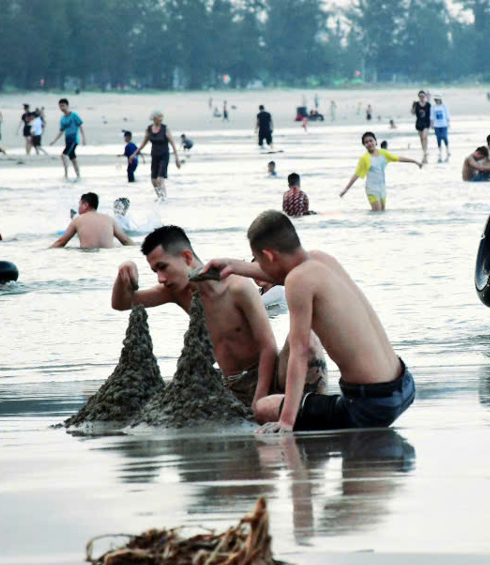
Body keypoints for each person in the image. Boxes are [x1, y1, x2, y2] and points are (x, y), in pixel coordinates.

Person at [200, 211, 414, 433]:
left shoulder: (297, 281)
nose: (261, 271)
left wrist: (286, 421)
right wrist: (232, 266)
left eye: (260, 260)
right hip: (403, 385)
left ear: (269, 256)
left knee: (264, 407)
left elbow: (299, 351)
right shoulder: (322, 260)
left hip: (369, 405)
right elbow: (278, 273)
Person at [111, 225, 327, 411]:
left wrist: (259, 398)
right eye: (154, 271)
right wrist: (124, 272)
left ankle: (313, 410)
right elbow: (122, 304)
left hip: (268, 378)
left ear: (186, 257)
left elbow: (267, 346)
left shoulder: (237, 287)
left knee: (307, 338)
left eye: (163, 267)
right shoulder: (175, 292)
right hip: (230, 385)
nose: (160, 278)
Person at [340, 131, 422, 211]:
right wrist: (346, 189)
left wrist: (414, 161)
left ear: (375, 141)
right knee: (377, 211)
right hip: (371, 189)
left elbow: (398, 158)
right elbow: (356, 175)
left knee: (382, 213)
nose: (369, 143)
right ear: (364, 145)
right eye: (366, 142)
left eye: (371, 141)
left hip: (382, 188)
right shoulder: (364, 158)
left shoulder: (384, 153)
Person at [51, 192, 133, 249]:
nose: (78, 207)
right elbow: (126, 241)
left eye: (79, 204)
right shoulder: (109, 219)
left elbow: (61, 242)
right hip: (108, 257)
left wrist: (45, 250)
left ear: (85, 205)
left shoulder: (77, 220)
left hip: (88, 257)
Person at [131, 110, 181, 201]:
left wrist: (177, 159)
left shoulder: (165, 129)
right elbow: (144, 143)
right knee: (153, 181)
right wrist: (134, 154)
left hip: (164, 156)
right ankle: (160, 197)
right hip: (154, 157)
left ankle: (164, 198)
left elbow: (173, 143)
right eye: (160, 117)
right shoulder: (149, 129)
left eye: (162, 117)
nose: (161, 119)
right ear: (154, 118)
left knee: (159, 179)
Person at [48, 98, 85, 180]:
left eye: (63, 106)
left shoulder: (74, 115)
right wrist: (54, 141)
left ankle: (66, 174)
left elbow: (80, 126)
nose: (62, 108)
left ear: (67, 106)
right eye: (60, 106)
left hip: (74, 140)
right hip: (67, 140)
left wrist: (83, 139)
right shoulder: (63, 118)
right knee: (73, 158)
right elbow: (61, 131)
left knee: (63, 155)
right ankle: (78, 175)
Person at [411, 91, 431, 164]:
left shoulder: (428, 104)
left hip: (426, 122)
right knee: (421, 138)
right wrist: (413, 106)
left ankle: (425, 151)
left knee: (424, 136)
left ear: (425, 96)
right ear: (418, 96)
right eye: (420, 96)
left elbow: (431, 114)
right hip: (419, 123)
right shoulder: (416, 104)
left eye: (423, 96)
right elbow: (413, 113)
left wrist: (432, 123)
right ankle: (423, 150)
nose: (422, 97)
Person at [431, 94, 451, 162]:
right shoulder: (433, 107)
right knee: (438, 138)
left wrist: (448, 123)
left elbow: (447, 114)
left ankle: (447, 150)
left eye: (438, 99)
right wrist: (432, 124)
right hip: (437, 125)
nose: (437, 101)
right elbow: (432, 116)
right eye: (436, 99)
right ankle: (439, 151)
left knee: (445, 137)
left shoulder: (444, 106)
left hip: (444, 124)